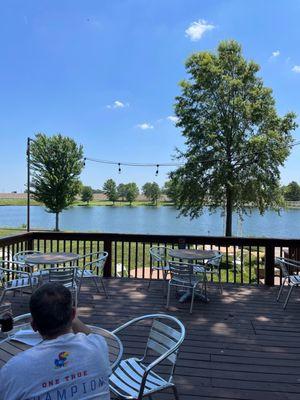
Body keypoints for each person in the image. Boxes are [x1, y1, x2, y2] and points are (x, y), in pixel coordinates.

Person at [0, 283, 111, 400]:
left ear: (33, 326)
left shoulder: (13, 371)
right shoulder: (97, 347)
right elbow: (90, 335)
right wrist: (70, 316)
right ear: (73, 315)